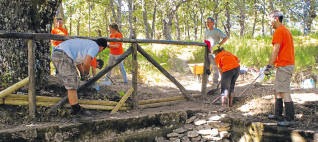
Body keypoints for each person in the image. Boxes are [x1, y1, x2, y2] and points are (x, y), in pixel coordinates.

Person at [51, 38, 107, 117]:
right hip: (62, 55)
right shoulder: (95, 47)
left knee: (74, 79)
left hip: (60, 53)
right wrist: (86, 74)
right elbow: (86, 63)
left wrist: (82, 74)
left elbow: (78, 63)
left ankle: (74, 107)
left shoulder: (86, 45)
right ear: (102, 47)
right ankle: (76, 110)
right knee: (71, 81)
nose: (99, 51)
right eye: (101, 50)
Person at [265, 10, 295, 126]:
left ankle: (290, 119)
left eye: (270, 20)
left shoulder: (279, 31)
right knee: (277, 90)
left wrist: (269, 66)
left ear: (276, 18)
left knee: (284, 91)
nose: (269, 23)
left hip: (285, 65)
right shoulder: (284, 30)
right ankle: (278, 114)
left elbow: (275, 50)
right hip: (283, 64)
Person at [204, 17, 228, 89]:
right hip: (207, 51)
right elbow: (205, 40)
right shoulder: (206, 31)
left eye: (209, 22)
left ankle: (215, 84)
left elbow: (226, 37)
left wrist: (218, 45)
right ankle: (205, 82)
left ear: (213, 23)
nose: (208, 24)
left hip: (215, 51)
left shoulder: (217, 31)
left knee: (215, 68)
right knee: (206, 67)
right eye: (207, 22)